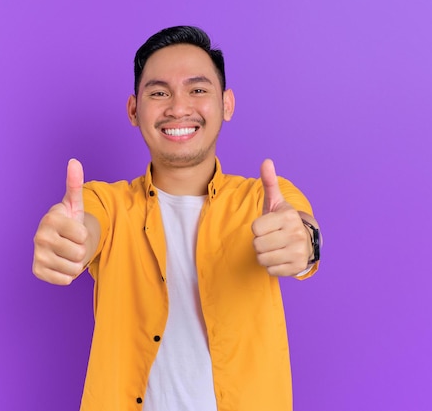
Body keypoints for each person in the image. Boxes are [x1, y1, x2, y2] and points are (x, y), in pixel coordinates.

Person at [32, 26, 322, 411]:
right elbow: (83, 225)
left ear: (227, 103)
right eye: (159, 92)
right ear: (134, 111)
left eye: (198, 89)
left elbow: (302, 228)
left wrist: (303, 244)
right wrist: (67, 241)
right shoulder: (107, 202)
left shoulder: (264, 199)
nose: (178, 107)